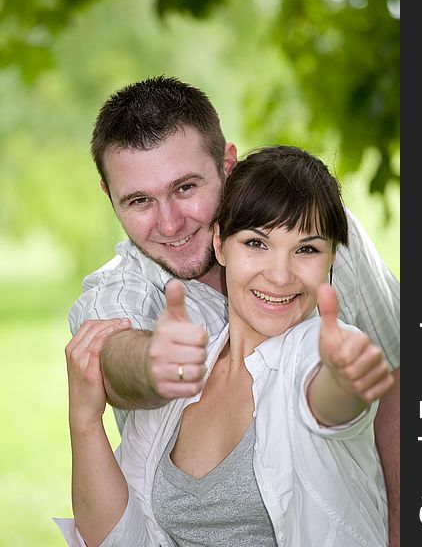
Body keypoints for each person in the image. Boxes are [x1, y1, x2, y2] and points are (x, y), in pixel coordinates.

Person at [67, 76, 400, 544]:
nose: (170, 223)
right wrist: (152, 362)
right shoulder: (126, 289)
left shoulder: (322, 235)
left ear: (226, 163)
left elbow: (380, 380)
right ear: (109, 196)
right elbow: (113, 357)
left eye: (185, 188)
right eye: (139, 200)